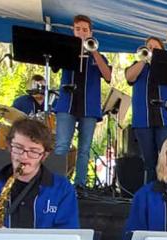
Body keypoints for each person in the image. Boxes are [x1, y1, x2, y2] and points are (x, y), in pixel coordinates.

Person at [0, 118, 79, 228]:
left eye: (33, 151)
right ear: (9, 147)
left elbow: (67, 235)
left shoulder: (62, 188)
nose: (24, 156)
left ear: (44, 155)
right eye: (18, 147)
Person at [53, 14, 112, 187]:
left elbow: (108, 76)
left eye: (85, 30)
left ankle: (80, 185)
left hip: (89, 106)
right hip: (67, 104)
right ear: (73, 31)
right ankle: (59, 184)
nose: (81, 33)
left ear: (91, 32)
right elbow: (54, 67)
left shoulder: (98, 55)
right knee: (62, 145)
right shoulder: (65, 50)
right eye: (78, 29)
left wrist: (93, 51)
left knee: (84, 150)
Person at [125, 36, 167, 184]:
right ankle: (150, 197)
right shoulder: (139, 66)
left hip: (166, 119)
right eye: (148, 47)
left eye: (155, 48)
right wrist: (144, 60)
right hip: (144, 121)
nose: (151, 50)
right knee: (150, 164)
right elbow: (129, 77)